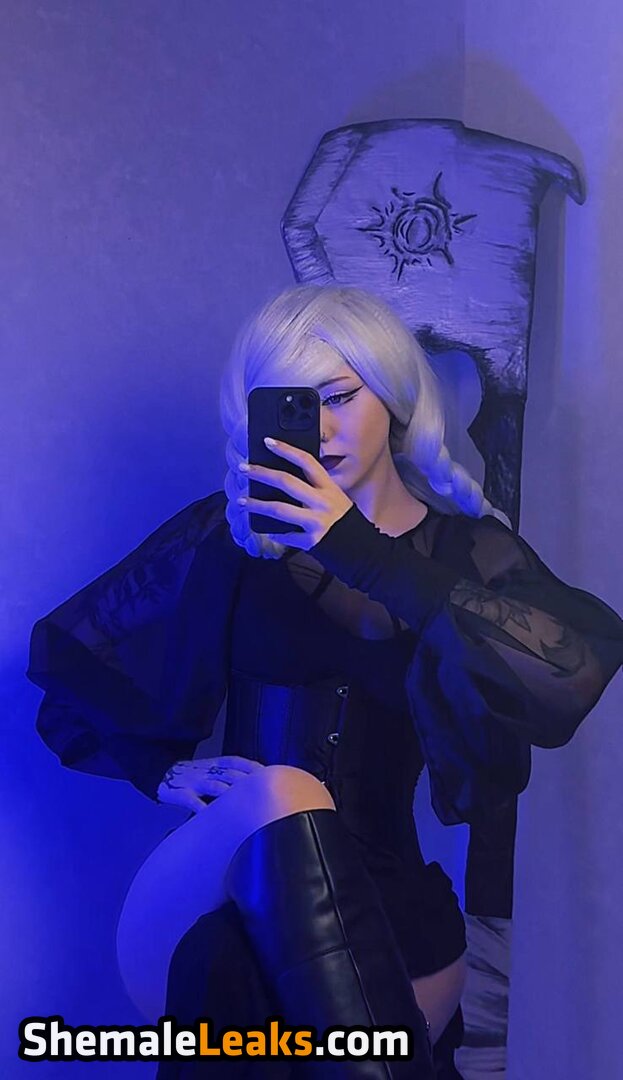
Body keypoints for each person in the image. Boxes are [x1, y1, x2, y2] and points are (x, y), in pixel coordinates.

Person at [27, 285, 623, 1079]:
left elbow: (570, 670)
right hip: (221, 892)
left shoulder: (469, 556)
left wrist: (357, 550)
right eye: (295, 405)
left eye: (340, 397)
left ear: (394, 395)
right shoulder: (228, 539)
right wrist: (160, 770)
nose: (324, 429)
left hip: (395, 913)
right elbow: (67, 662)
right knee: (282, 793)